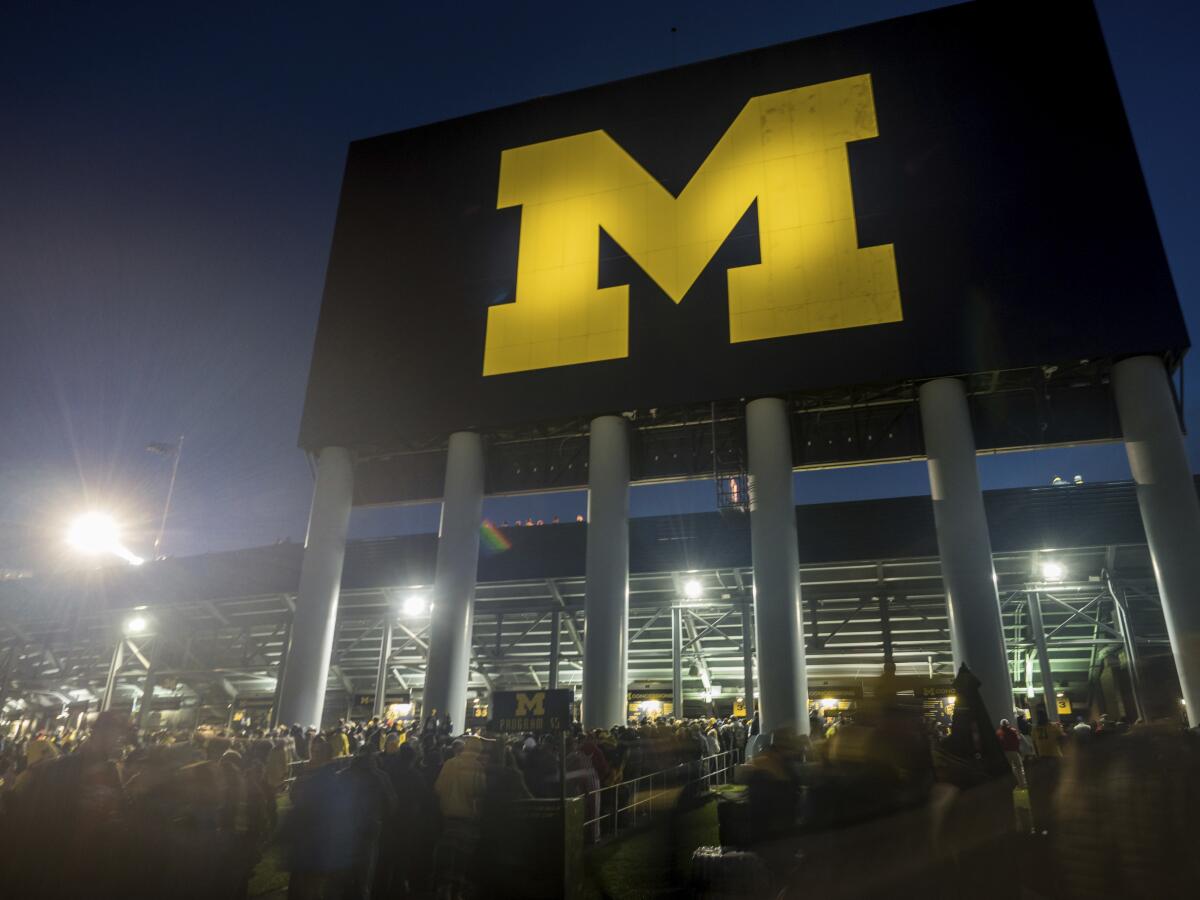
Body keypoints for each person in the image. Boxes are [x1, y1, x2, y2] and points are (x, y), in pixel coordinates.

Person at [996, 718, 1027, 787]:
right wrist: (1019, 751)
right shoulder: (1012, 731)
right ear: (1008, 724)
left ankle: (1018, 783)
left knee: (1013, 768)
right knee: (1019, 767)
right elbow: (1017, 741)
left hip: (1005, 753)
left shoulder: (998, 732)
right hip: (1014, 751)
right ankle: (1023, 783)